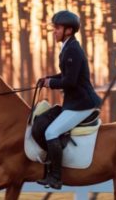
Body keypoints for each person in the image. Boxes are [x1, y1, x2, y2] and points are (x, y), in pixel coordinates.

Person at [36, 10, 102, 189]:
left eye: (57, 28)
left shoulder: (72, 49)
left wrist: (51, 83)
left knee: (51, 132)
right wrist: (47, 78)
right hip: (75, 103)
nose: (54, 31)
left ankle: (56, 177)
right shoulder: (68, 47)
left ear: (68, 30)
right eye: (54, 28)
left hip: (82, 104)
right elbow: (66, 75)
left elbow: (70, 81)